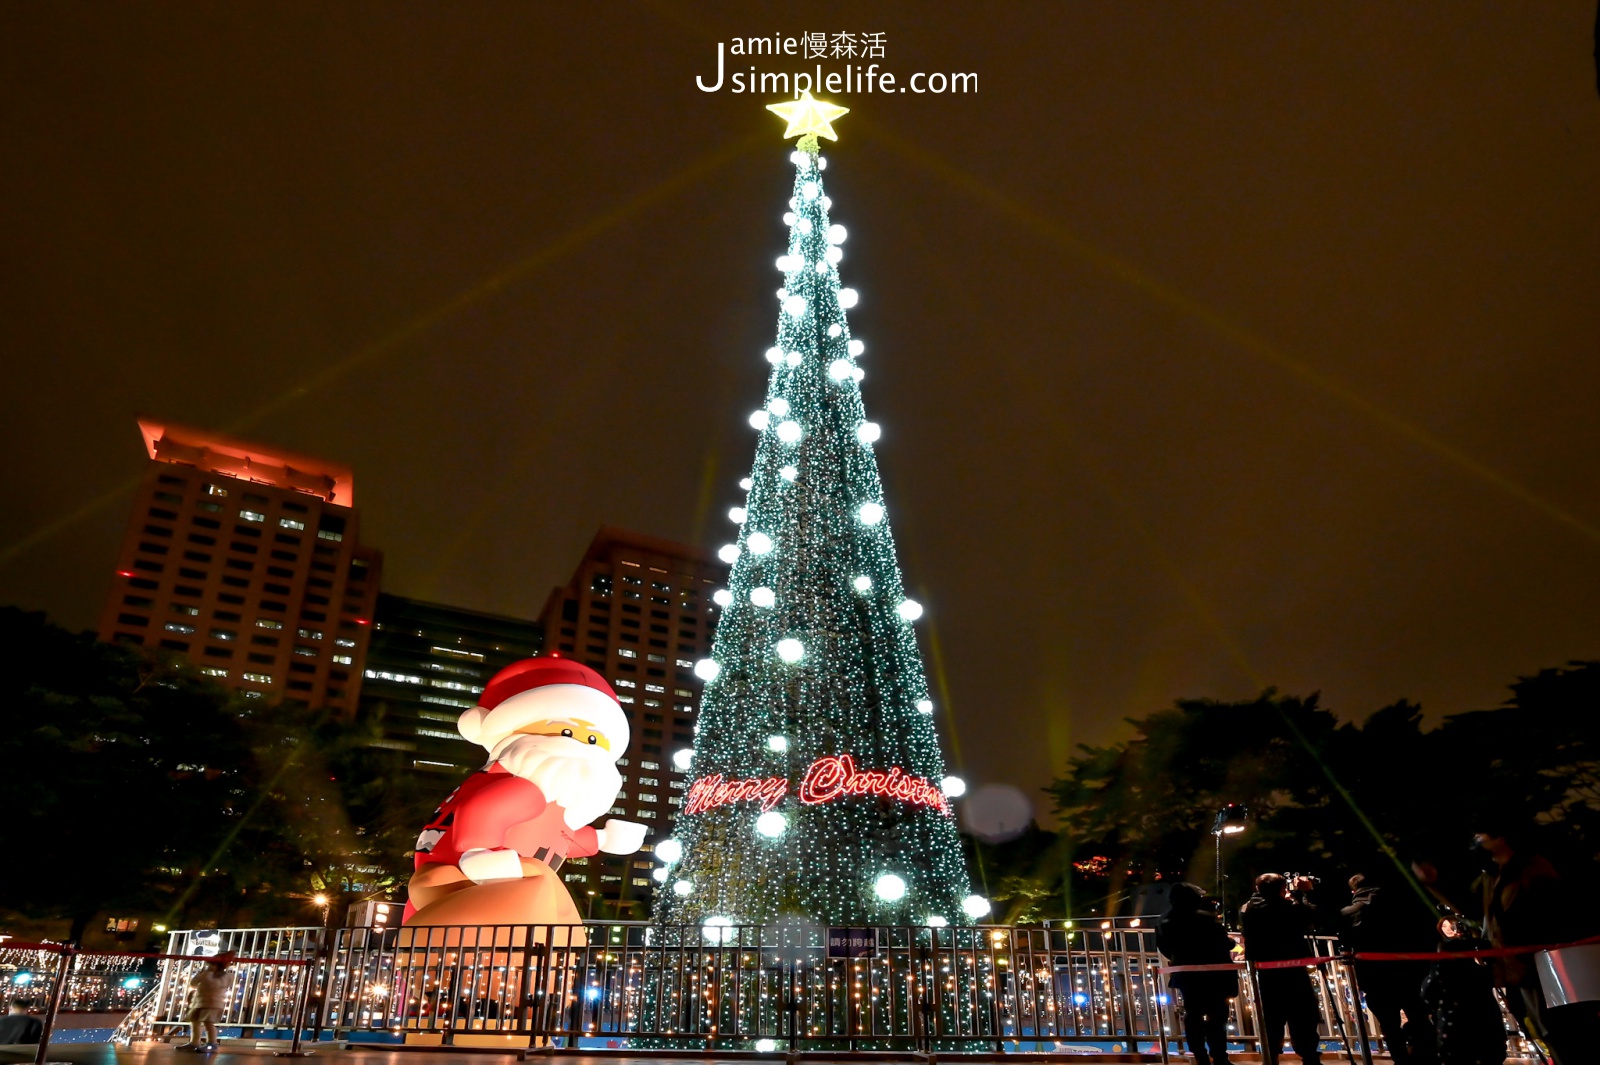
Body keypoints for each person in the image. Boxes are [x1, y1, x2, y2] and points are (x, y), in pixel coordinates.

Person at [1468, 821, 1597, 1065]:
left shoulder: (1533, 870)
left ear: (1500, 838)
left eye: (1481, 835)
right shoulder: (1493, 876)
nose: (1477, 841)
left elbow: (1553, 915)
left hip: (1549, 967)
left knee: (1566, 1033)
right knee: (1546, 1032)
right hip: (1521, 969)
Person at [1340, 872, 1438, 1064]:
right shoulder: (1400, 904)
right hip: (1409, 971)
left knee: (1389, 1024)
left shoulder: (1350, 912)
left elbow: (1346, 941)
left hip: (1375, 976)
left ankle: (1401, 1060)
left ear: (1353, 891)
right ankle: (1427, 1057)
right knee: (1419, 1017)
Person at [1240, 873, 1323, 1065]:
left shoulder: (1247, 908)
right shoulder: (1288, 908)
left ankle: (1271, 1057)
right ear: (1282, 889)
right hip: (1294, 970)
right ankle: (1309, 1056)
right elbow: (1312, 915)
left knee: (1271, 1018)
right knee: (1302, 1016)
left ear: (1257, 889)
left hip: (1265, 972)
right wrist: (1304, 893)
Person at [1157, 883, 1239, 1065]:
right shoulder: (1205, 918)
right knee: (1217, 1016)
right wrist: (1231, 941)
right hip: (1214, 975)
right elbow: (1224, 943)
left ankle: (1199, 1055)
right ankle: (1219, 1056)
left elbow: (1163, 946)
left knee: (1193, 1014)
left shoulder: (1164, 919)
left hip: (1186, 974)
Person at [177, 953, 233, 1052]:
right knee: (194, 1021)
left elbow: (213, 985)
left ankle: (212, 1043)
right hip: (199, 1001)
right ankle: (194, 1042)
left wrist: (206, 974)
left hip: (213, 1003)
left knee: (208, 1023)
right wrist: (201, 974)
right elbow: (193, 983)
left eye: (212, 964)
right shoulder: (205, 974)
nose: (209, 966)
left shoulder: (225, 976)